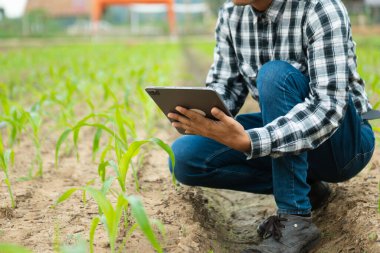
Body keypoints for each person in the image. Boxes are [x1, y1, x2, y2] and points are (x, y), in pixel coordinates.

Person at [167, 0, 375, 252]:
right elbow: (227, 87)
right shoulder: (231, 12)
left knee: (275, 75)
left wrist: (251, 141)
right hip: (285, 131)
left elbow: (328, 108)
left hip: (343, 144)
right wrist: (202, 116)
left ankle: (295, 220)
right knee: (184, 158)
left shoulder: (320, 8)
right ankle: (308, 191)